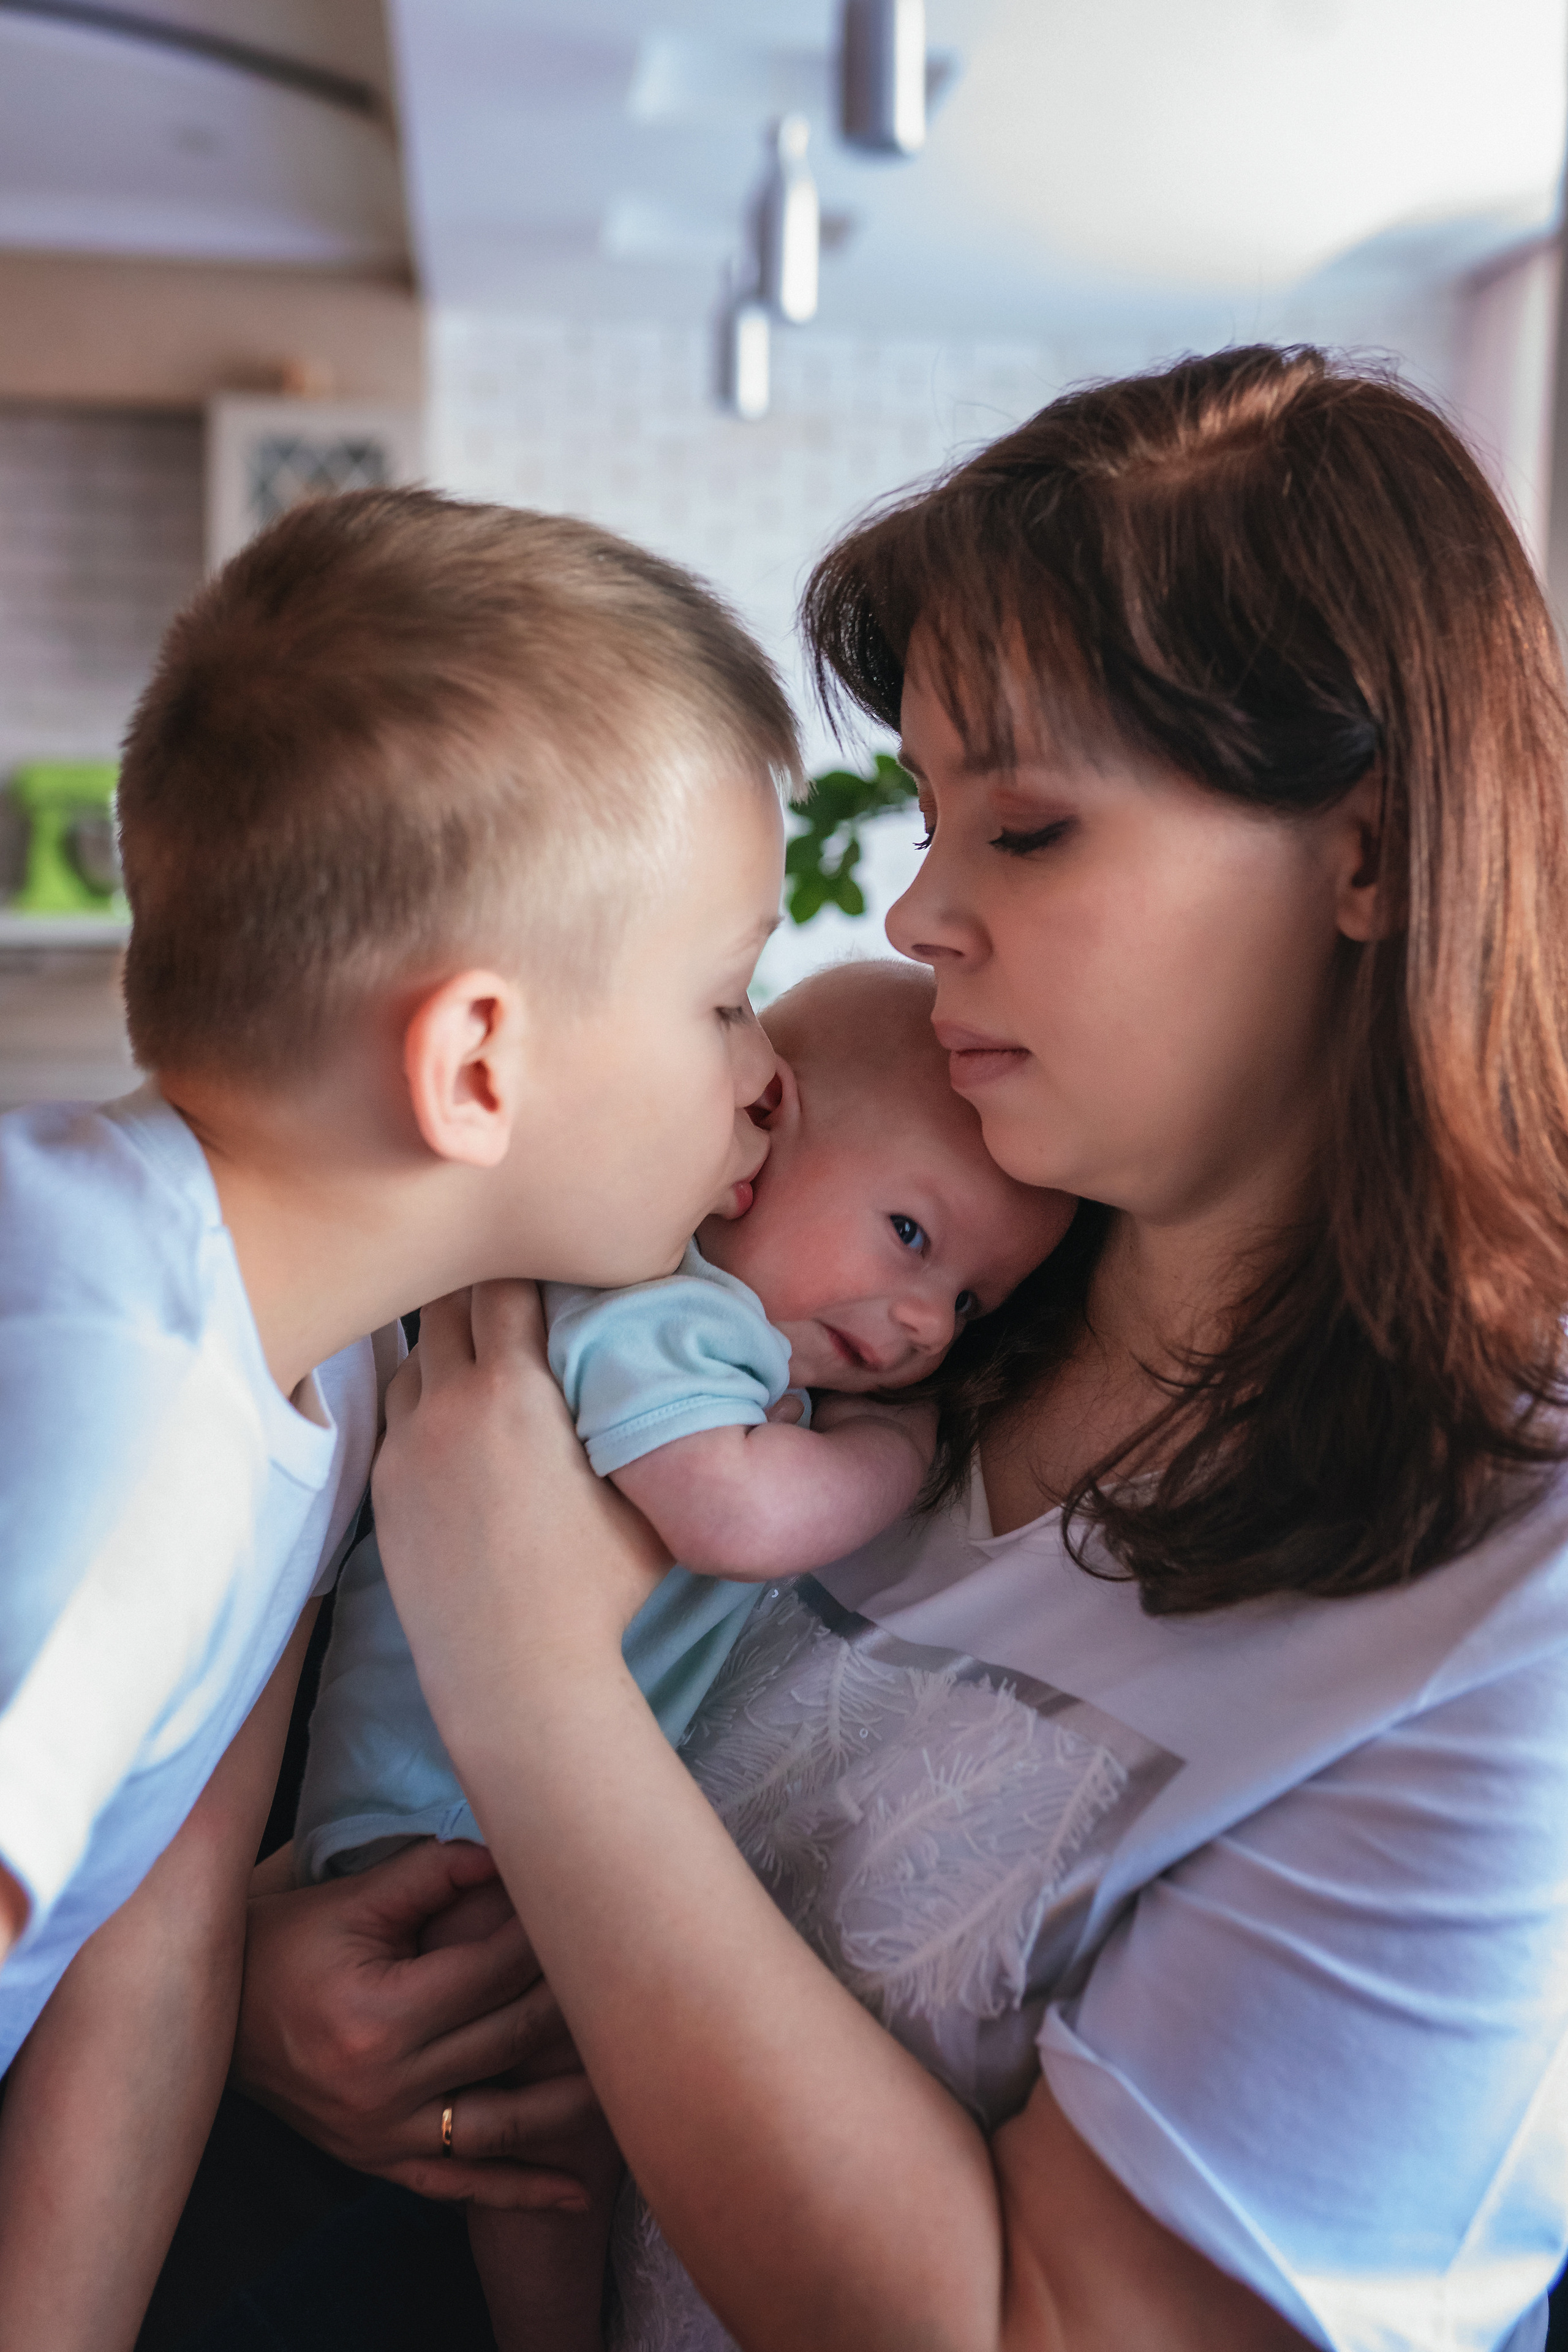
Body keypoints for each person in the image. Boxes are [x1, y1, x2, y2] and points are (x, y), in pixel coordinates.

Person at [223, 345, 1568, 2352]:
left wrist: (523, 1678)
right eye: (931, 819)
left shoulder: (1508, 1582)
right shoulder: (880, 1293)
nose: (922, 908)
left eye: (1025, 833)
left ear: (1367, 855)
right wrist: (297, 1991)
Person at [0, 484, 799, 2350]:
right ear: (477, 1065)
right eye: (726, 998)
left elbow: (158, 1954)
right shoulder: (111, 1391)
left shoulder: (323, 1355)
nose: (770, 1078)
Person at [294, 957, 1072, 2350]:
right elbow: (730, 1510)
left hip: (464, 1801)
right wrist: (896, 1452)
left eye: (967, 1306)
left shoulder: (739, 1338)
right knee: (554, 2140)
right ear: (752, 1145)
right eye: (907, 1233)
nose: (919, 1328)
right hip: (443, 1816)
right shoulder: (664, 1300)